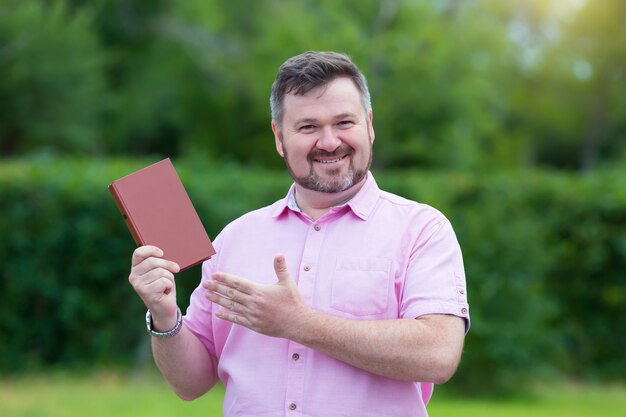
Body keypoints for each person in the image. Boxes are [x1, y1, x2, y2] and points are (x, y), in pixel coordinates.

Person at [128, 51, 469, 417]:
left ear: (369, 125)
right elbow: (190, 384)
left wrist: (300, 324)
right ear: (279, 137)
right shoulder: (235, 238)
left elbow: (438, 354)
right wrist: (165, 316)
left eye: (344, 122)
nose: (329, 142)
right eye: (308, 127)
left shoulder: (422, 229)